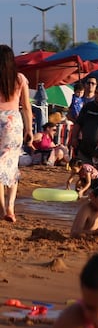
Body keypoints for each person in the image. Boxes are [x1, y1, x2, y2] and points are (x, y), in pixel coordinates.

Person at [0, 44, 34, 222]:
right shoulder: (20, 78)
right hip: (13, 123)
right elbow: (27, 107)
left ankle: (1, 208)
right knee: (12, 165)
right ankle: (10, 208)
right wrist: (29, 130)